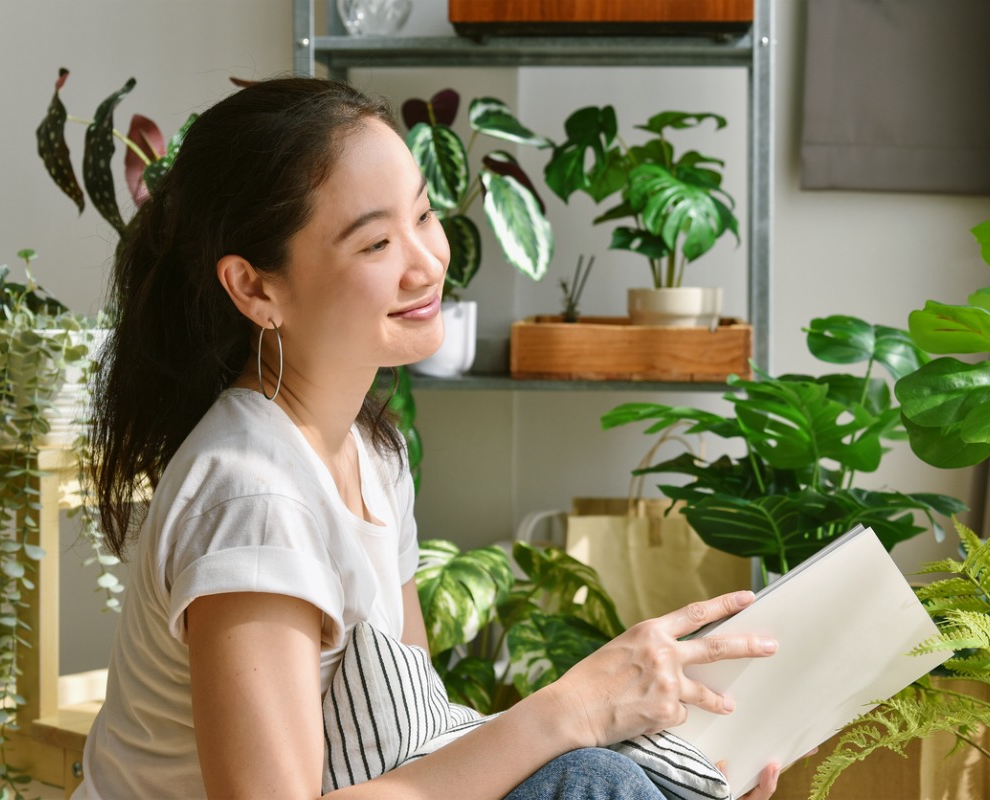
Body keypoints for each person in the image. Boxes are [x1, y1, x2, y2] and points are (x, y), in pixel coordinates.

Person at [77, 77, 783, 800]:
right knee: (589, 776)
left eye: (425, 215)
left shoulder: (372, 452)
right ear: (257, 288)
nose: (428, 264)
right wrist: (565, 712)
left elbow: (416, 747)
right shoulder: (252, 494)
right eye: (378, 241)